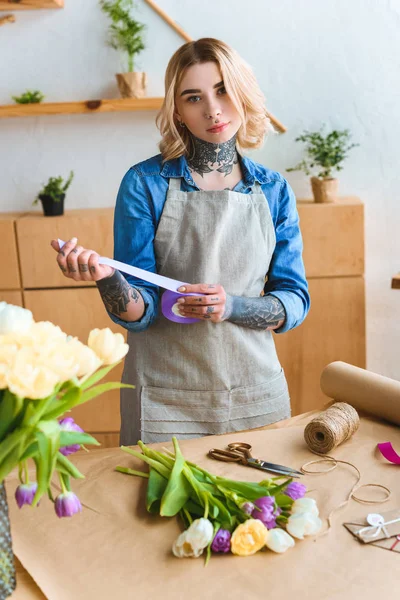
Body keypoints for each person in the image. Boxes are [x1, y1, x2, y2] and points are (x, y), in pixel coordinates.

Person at [51, 38, 310, 446]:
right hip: (164, 401)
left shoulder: (274, 190)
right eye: (194, 97)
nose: (213, 108)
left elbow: (294, 301)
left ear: (242, 91)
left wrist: (232, 307)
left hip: (255, 395)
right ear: (177, 111)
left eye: (223, 89)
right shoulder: (144, 184)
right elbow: (141, 311)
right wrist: (107, 278)